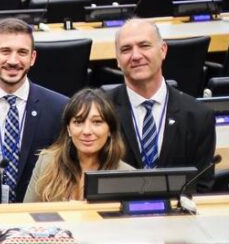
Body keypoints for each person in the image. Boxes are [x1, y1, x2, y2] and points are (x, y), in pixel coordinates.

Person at [0, 18, 69, 202]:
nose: (13, 61)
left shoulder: (58, 108)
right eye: (5, 51)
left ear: (33, 58)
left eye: (22, 52)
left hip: (36, 214)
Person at [109, 18, 218, 190]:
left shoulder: (198, 116)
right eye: (126, 49)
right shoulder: (101, 112)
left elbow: (202, 187)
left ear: (163, 50)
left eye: (144, 46)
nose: (136, 56)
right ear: (117, 59)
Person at [24, 89, 133, 202]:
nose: (86, 131)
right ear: (68, 129)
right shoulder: (47, 162)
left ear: (110, 129)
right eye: (78, 122)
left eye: (97, 122)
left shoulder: (127, 176)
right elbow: (26, 215)